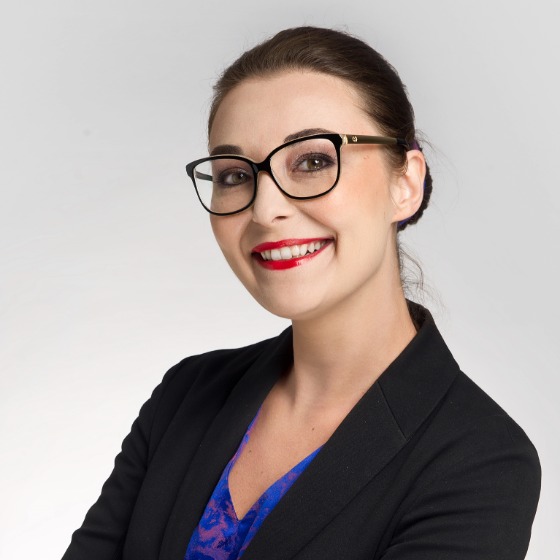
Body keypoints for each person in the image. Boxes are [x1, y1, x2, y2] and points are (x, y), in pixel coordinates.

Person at [62, 26, 541, 560]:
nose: (265, 210)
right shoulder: (185, 395)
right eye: (234, 175)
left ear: (404, 184)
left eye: (313, 162)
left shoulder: (480, 460)